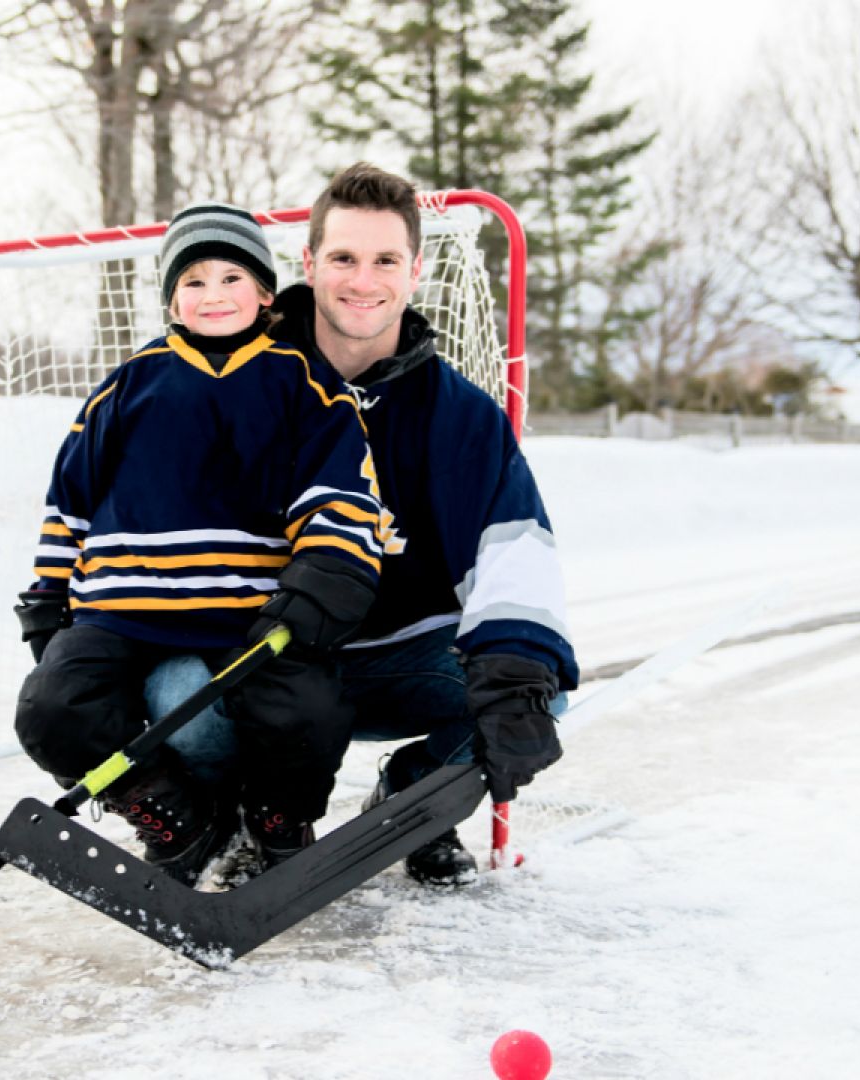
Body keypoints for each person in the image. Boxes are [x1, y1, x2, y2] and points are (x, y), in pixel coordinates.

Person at [149, 163, 580, 887]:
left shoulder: (461, 414)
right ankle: (244, 814)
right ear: (310, 264)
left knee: (532, 690)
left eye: (384, 260)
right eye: (343, 258)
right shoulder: (228, 380)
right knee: (173, 696)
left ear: (414, 271)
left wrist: (518, 668)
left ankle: (414, 802)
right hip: (268, 655)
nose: (362, 280)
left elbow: (513, 548)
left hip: (401, 661)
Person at [12, 201, 389, 886]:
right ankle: (176, 814)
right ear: (170, 298)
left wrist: (321, 578)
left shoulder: (303, 384)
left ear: (265, 293)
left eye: (230, 278)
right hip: (121, 612)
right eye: (193, 281)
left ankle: (277, 818)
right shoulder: (125, 387)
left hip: (245, 613)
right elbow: (69, 502)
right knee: (51, 710)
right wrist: (47, 594)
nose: (212, 295)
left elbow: (338, 497)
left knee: (308, 711)